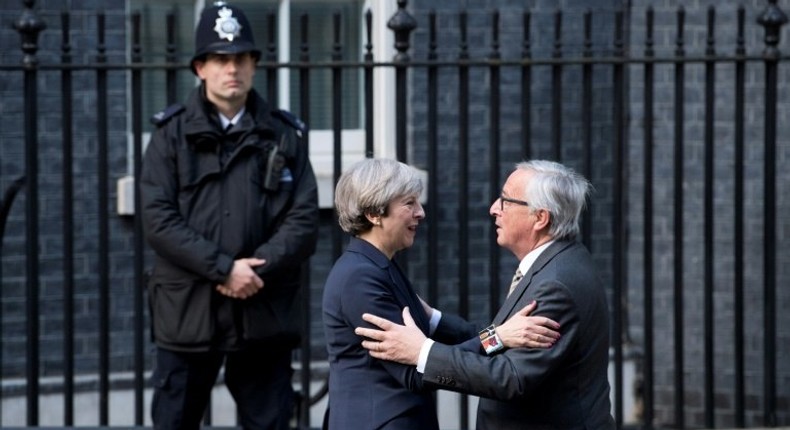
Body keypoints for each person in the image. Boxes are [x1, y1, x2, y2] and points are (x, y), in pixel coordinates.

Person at [140, 3, 319, 429]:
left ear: (254, 66)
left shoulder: (283, 134)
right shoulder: (170, 136)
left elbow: (304, 218)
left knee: (270, 422)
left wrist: (253, 270)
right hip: (188, 313)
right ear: (200, 68)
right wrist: (223, 270)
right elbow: (158, 218)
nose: (232, 69)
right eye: (220, 59)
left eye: (241, 58)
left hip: (262, 310)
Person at [356, 160, 615, 430]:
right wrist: (435, 321)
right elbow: (505, 344)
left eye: (506, 201)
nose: (493, 209)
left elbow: (510, 377)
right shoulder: (559, 262)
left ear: (540, 218)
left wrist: (423, 352)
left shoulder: (556, 285)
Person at [322, 158, 560, 430]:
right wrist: (499, 337)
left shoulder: (378, 266)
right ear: (374, 213)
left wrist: (437, 319)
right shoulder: (360, 277)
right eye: (409, 203)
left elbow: (421, 344)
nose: (420, 212)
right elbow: (415, 372)